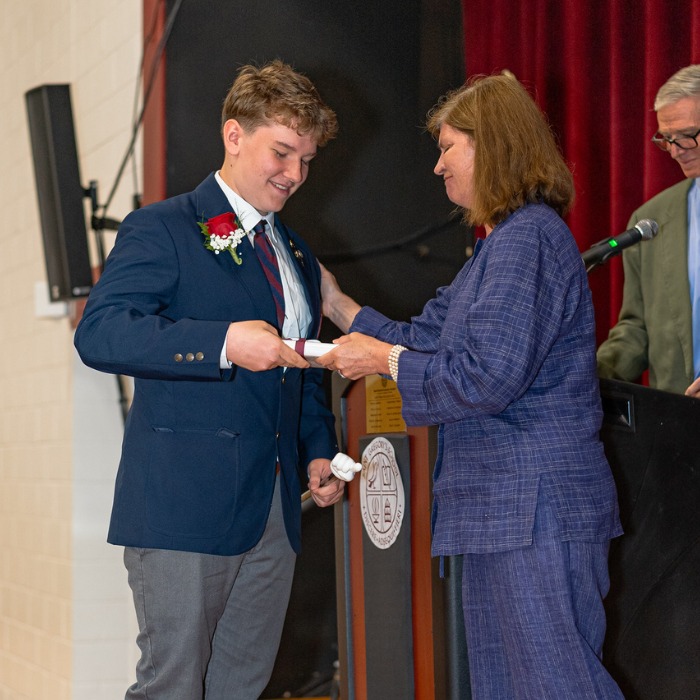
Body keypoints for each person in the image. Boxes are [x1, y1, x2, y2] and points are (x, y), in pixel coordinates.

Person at [317, 74, 624, 698]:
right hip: (503, 515)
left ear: (493, 147)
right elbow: (426, 336)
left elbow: (485, 378)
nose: (437, 167)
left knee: (556, 687)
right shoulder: (499, 249)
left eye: (448, 146)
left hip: (534, 513)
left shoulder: (528, 240)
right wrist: (337, 304)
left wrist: (383, 359)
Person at [74, 60, 344, 700]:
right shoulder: (163, 227)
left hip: (273, 516)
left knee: (240, 689)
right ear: (233, 135)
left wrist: (318, 450)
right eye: (282, 152)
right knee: (172, 687)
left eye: (306, 160)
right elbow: (100, 332)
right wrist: (222, 342)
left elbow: (298, 368)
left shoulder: (296, 252)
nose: (295, 175)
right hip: (183, 509)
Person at [597, 64, 700, 397]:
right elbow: (636, 328)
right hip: (679, 425)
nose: (676, 149)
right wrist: (588, 377)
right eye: (667, 139)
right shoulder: (651, 220)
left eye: (687, 134)